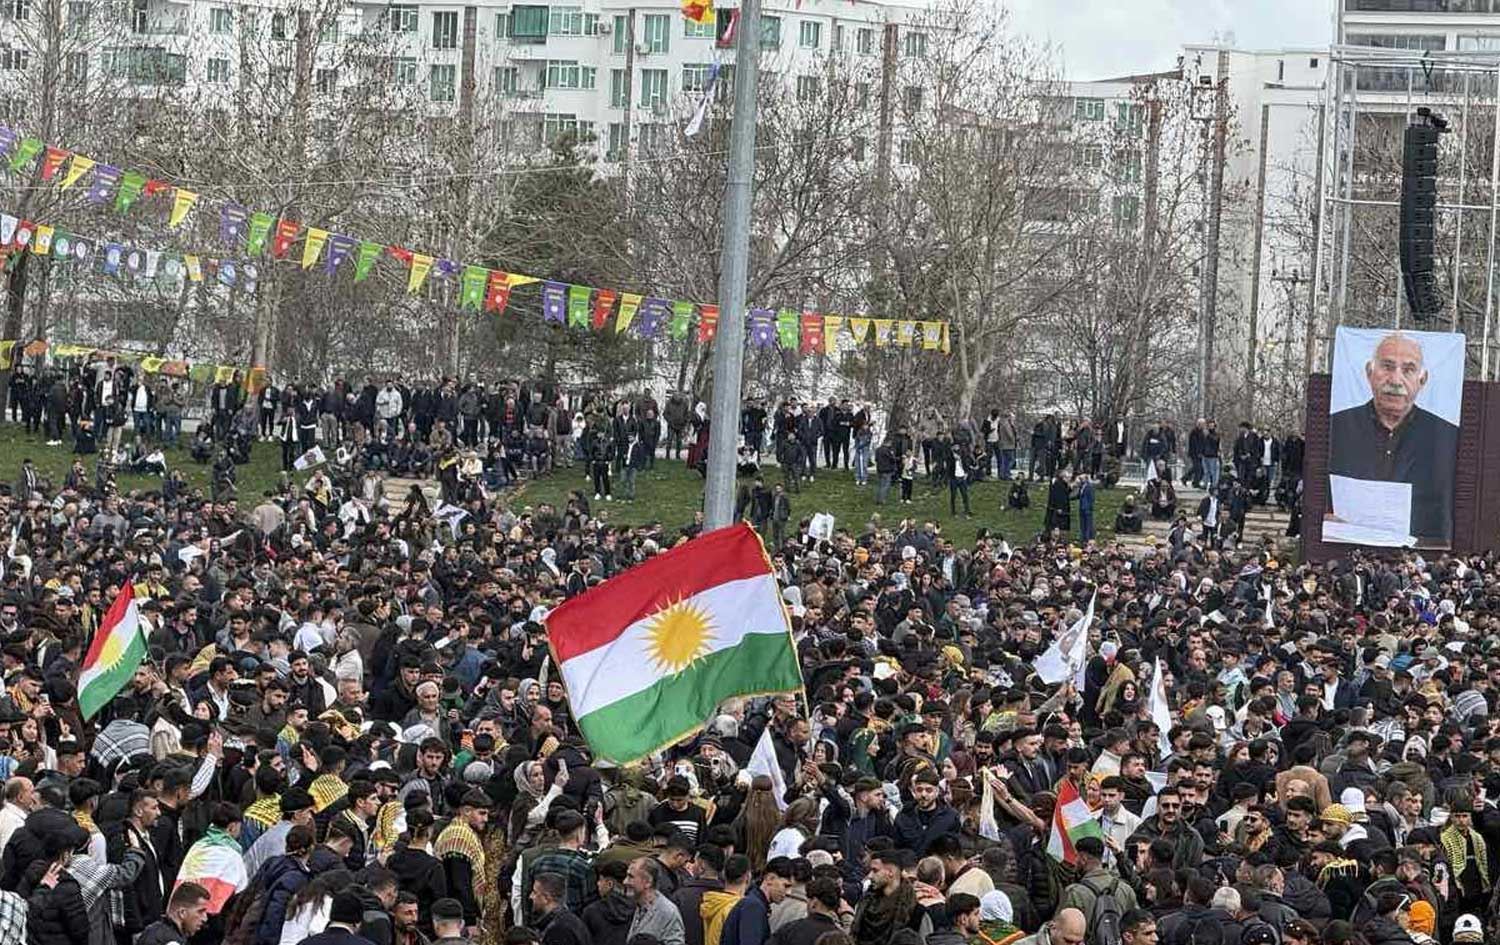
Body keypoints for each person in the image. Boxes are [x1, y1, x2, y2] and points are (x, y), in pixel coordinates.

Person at [1327, 331, 1459, 544]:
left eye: (1408, 370)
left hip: (1422, 552)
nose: (1396, 380)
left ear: (1422, 380)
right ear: (1369, 373)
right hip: (1347, 546)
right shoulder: (1334, 428)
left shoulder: (1448, 437)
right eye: (1387, 367)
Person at [137, 881, 212, 945]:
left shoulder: (154, 932)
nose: (205, 918)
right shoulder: (169, 941)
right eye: (200, 912)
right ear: (182, 913)